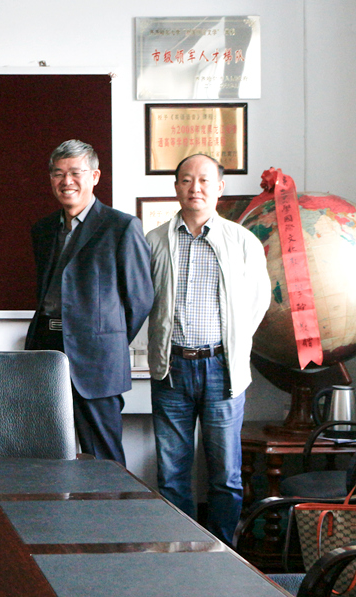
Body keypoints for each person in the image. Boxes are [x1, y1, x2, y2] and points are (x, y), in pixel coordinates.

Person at [146, 154, 270, 543]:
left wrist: (234, 344)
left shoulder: (242, 241)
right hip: (172, 369)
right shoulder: (155, 241)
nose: (194, 188)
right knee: (172, 474)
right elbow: (144, 300)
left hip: (222, 368)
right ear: (176, 187)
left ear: (219, 187)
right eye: (186, 180)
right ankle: (180, 554)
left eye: (203, 180)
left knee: (226, 475)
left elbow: (258, 301)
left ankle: (223, 556)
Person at [25, 139, 154, 465]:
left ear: (95, 176)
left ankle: (111, 503)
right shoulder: (43, 229)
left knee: (103, 459)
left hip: (96, 359)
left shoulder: (121, 227)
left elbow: (140, 299)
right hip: (46, 349)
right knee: (46, 454)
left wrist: (105, 338)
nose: (66, 181)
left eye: (75, 172)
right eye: (58, 173)